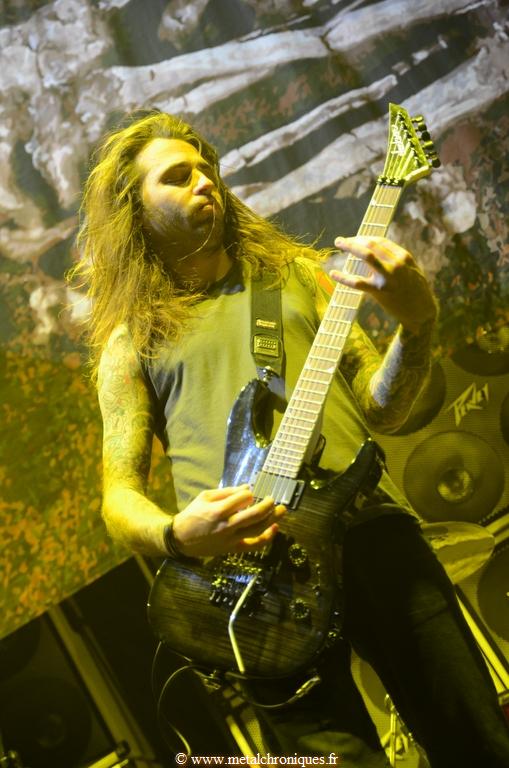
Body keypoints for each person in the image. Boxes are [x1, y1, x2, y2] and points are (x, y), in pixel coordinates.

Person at [70, 109, 509, 768]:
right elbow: (118, 497)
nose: (204, 181)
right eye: (177, 176)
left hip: (370, 532)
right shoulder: (131, 343)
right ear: (134, 211)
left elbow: (382, 409)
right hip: (252, 587)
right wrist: (177, 534)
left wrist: (416, 324)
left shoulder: (298, 276)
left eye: (206, 169)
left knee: (476, 741)